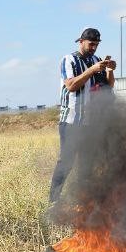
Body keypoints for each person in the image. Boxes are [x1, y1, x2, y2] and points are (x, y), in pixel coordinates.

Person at [50, 27, 115, 203]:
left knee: (87, 164)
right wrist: (91, 70)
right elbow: (71, 85)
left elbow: (108, 87)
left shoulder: (96, 60)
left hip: (91, 122)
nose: (94, 48)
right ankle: (53, 202)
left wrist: (109, 71)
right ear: (81, 42)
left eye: (96, 45)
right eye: (91, 44)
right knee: (66, 162)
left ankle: (83, 203)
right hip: (71, 120)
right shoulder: (69, 60)